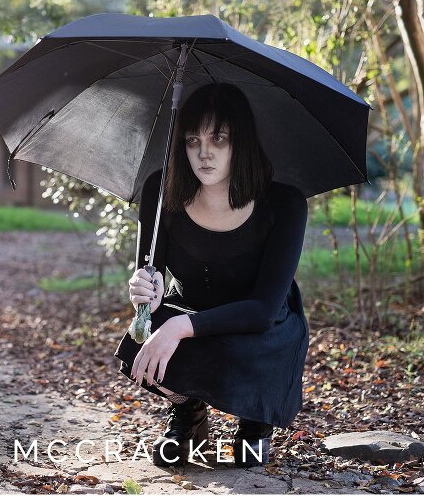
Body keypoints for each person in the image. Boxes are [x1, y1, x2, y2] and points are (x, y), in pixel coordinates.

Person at [113, 82, 310, 468]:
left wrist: (178, 328)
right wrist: (145, 292)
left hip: (260, 328)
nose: (204, 153)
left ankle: (255, 420)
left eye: (218, 138)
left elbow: (262, 310)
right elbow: (150, 276)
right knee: (140, 342)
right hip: (191, 308)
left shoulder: (284, 204)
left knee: (247, 459)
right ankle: (188, 411)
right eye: (192, 140)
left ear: (241, 142)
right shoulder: (161, 190)